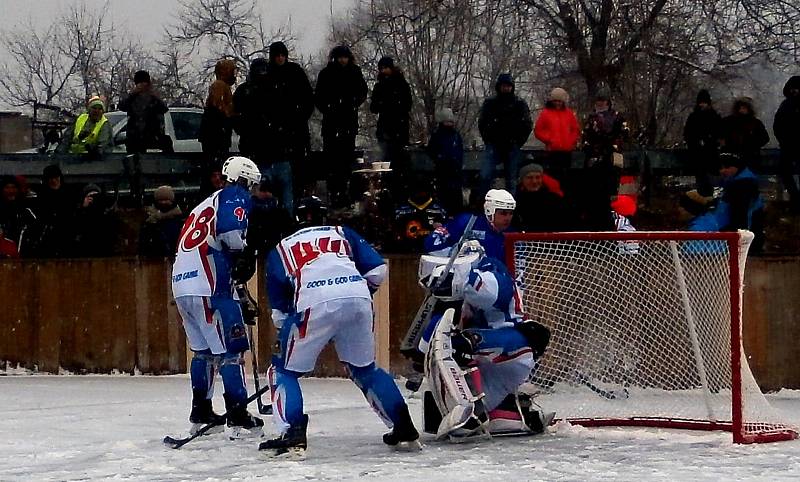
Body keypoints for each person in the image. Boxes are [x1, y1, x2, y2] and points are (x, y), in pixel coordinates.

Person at [261, 196, 421, 458]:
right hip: (357, 296)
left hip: (312, 301)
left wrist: (304, 331)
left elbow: (280, 314)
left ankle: (293, 433)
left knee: (283, 371)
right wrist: (353, 297)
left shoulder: (281, 248)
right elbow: (378, 270)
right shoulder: (342, 233)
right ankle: (403, 427)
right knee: (365, 370)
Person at [171, 156, 265, 439]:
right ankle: (237, 416)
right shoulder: (233, 194)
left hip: (182, 285)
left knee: (204, 352)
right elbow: (231, 233)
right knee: (231, 352)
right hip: (210, 286)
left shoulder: (203, 204)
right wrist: (245, 253)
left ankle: (200, 411)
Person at [417, 246, 553, 439]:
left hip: (512, 349)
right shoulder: (457, 294)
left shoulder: (493, 271)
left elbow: (488, 290)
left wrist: (461, 280)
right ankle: (506, 413)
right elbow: (434, 334)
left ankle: (482, 410)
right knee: (455, 345)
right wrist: (420, 353)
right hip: (488, 366)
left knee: (462, 342)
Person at [314, 45, 368, 209]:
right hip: (332, 125)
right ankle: (334, 194)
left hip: (348, 124)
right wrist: (330, 108)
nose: (342, 60)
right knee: (332, 163)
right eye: (340, 57)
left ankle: (345, 195)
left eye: (345, 57)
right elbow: (319, 97)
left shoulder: (355, 72)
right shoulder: (326, 73)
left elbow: (362, 92)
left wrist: (352, 104)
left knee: (346, 161)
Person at [689, 152, 765, 253]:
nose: (722, 171)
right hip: (735, 233)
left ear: (736, 167)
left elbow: (740, 214)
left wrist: (735, 238)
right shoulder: (738, 182)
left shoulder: (742, 185)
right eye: (721, 168)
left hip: (734, 236)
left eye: (727, 167)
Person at [425, 188, 516, 262]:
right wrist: (458, 255)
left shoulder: (513, 235)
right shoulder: (467, 222)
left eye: (510, 213)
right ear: (489, 211)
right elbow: (431, 244)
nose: (508, 218)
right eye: (503, 213)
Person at [478, 74, 533, 196]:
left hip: (512, 146)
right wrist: (488, 140)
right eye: (504, 86)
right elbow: (482, 123)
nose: (506, 88)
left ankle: (511, 208)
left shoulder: (519, 104)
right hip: (494, 145)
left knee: (512, 180)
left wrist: (518, 142)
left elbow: (527, 125)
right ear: (499, 86)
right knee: (485, 176)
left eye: (508, 86)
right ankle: (483, 204)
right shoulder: (490, 103)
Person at [370, 56, 413, 199]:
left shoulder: (399, 84)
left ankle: (398, 192)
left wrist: (389, 106)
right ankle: (393, 192)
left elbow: (407, 104)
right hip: (389, 129)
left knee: (396, 163)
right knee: (390, 163)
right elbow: (374, 107)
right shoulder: (384, 85)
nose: (384, 71)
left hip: (396, 129)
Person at [199, 59, 237, 192]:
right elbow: (219, 108)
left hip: (215, 137)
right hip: (216, 138)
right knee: (215, 173)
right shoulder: (220, 86)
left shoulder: (221, 86)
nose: (234, 75)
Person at [533, 87, 580, 184]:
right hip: (552, 151)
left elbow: (575, 129)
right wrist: (549, 139)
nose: (557, 103)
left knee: (566, 178)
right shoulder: (545, 113)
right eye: (555, 101)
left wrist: (571, 141)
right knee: (553, 177)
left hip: (567, 151)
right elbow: (538, 130)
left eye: (560, 101)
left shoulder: (569, 113)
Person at [118, 70, 171, 154]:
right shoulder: (132, 98)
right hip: (134, 137)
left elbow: (164, 109)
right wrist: (133, 94)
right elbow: (121, 106)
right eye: (140, 83)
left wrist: (153, 94)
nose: (142, 86)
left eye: (144, 83)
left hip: (151, 135)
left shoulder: (153, 98)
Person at [390, 177, 448, 253]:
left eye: (423, 191)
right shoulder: (401, 210)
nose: (420, 193)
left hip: (433, 251)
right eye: (417, 191)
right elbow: (395, 231)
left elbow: (445, 231)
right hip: (405, 251)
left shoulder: (439, 210)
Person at [683, 89, 722, 197]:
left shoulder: (714, 117)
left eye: (704, 102)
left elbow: (719, 134)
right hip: (698, 156)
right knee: (702, 184)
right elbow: (687, 135)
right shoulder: (693, 117)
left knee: (712, 184)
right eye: (700, 102)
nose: (702, 105)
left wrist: (710, 141)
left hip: (711, 156)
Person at [426, 107, 464, 215]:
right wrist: (440, 159)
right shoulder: (437, 135)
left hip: (455, 172)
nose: (449, 124)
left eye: (451, 121)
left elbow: (460, 152)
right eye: (447, 121)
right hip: (442, 172)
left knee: (456, 199)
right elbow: (432, 151)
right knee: (443, 198)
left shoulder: (456, 136)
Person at [512, 163, 567, 232]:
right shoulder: (516, 200)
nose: (534, 181)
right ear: (522, 180)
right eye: (529, 178)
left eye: (537, 177)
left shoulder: (554, 199)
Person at [69, 183, 118, 257]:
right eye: (90, 196)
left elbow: (112, 229)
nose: (94, 198)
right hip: (85, 250)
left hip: (104, 250)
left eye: (96, 196)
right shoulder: (80, 212)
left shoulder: (106, 213)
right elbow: (75, 227)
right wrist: (83, 207)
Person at [719, 97, 769, 169]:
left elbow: (765, 138)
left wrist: (752, 145)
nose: (741, 110)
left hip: (750, 158)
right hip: (733, 157)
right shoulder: (729, 121)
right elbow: (722, 135)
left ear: (749, 109)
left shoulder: (755, 123)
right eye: (740, 108)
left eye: (744, 108)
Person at [773, 75, 800, 211]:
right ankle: (795, 198)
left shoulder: (787, 105)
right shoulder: (786, 105)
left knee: (786, 172)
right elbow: (777, 125)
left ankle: (796, 199)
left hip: (790, 145)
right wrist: (783, 140)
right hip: (788, 145)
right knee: (785, 172)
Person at [138, 185, 184, 260]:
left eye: (166, 200)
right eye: (161, 200)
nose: (163, 203)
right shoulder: (149, 219)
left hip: (174, 256)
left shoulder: (178, 218)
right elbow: (143, 241)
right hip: (153, 257)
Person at [0, 175, 36, 258]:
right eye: (7, 187)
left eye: (13, 187)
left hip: (23, 255)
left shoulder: (25, 210)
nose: (11, 191)